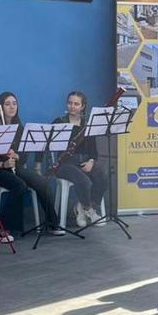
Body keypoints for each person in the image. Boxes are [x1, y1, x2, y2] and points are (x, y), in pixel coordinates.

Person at [0, 92, 64, 242]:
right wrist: (2, 163)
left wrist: (17, 156)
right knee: (20, 186)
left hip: (14, 168)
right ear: (0, 107)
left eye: (14, 103)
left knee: (41, 183)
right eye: (7, 104)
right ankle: (0, 229)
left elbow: (24, 154)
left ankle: (52, 223)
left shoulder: (19, 127)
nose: (12, 107)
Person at [52, 91, 110, 227]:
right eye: (70, 103)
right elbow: (47, 145)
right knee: (84, 181)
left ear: (82, 106)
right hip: (64, 164)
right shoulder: (59, 122)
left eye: (76, 104)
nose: (72, 106)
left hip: (84, 161)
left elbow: (94, 153)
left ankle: (82, 207)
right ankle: (89, 210)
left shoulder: (87, 124)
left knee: (102, 174)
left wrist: (90, 162)